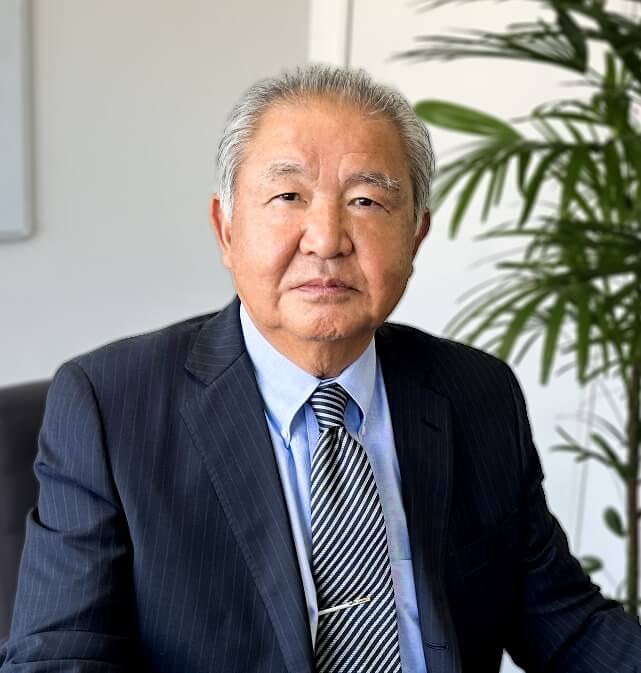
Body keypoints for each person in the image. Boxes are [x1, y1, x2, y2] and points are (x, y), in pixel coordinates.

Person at [1, 65, 639, 673]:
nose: (327, 238)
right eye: (288, 196)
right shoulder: (110, 406)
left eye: (367, 200)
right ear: (226, 230)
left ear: (415, 236)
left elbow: (568, 623)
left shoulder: (477, 392)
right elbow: (61, 654)